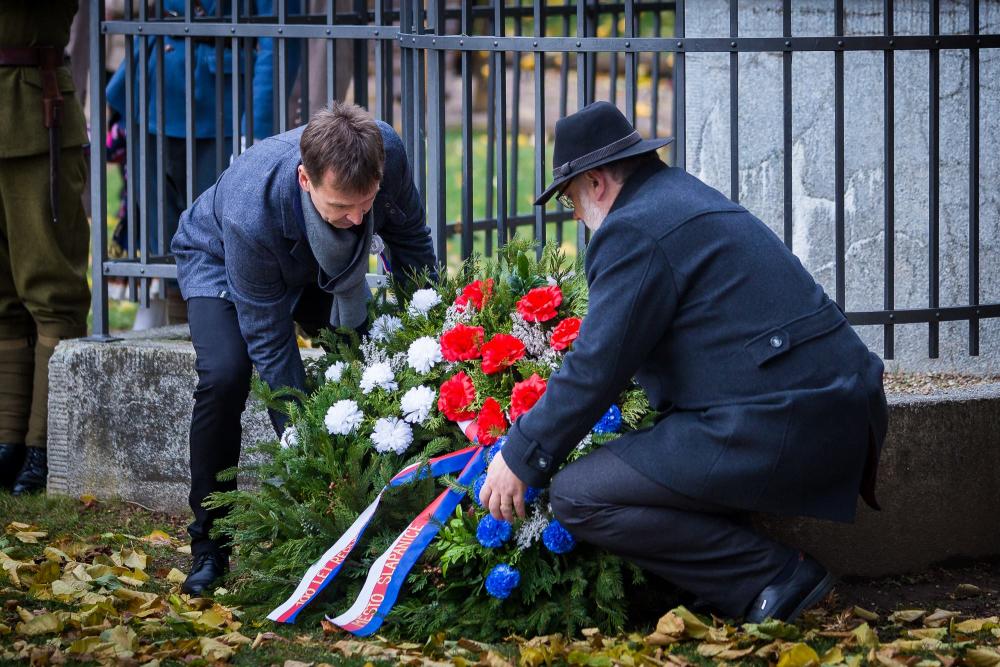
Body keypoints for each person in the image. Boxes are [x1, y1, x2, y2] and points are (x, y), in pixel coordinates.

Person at [479, 101, 888, 623]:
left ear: (596, 183)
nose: (576, 216)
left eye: (570, 200)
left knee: (580, 496)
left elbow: (596, 367)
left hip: (791, 418)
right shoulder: (676, 196)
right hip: (826, 403)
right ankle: (735, 581)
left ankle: (772, 576)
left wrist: (520, 454)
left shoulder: (633, 229)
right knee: (655, 452)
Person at [171, 101, 437, 595]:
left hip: (318, 264)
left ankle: (380, 510)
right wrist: (307, 447)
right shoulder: (251, 209)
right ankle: (210, 545)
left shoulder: (387, 152)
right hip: (220, 257)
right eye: (341, 207)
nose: (357, 220)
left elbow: (411, 245)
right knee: (226, 374)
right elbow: (271, 344)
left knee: (363, 354)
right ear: (304, 179)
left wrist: (430, 333)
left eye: (366, 203)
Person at [105, 0, 300, 329]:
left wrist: (256, 127)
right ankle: (176, 335)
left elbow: (278, 36)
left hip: (222, 101)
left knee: (216, 243)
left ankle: (212, 340)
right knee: (161, 240)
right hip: (154, 88)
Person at [0, 0, 91, 495]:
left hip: (35, 112)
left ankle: (42, 446)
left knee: (51, 289)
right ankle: (6, 440)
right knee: (2, 298)